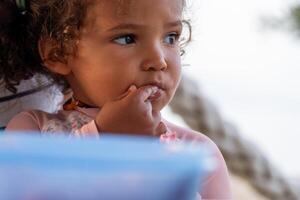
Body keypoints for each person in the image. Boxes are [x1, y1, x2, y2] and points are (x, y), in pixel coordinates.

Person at [1, 0, 232, 198]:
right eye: (127, 38)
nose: (158, 60)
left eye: (170, 37)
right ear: (59, 53)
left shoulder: (198, 153)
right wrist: (105, 139)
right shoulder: (31, 132)